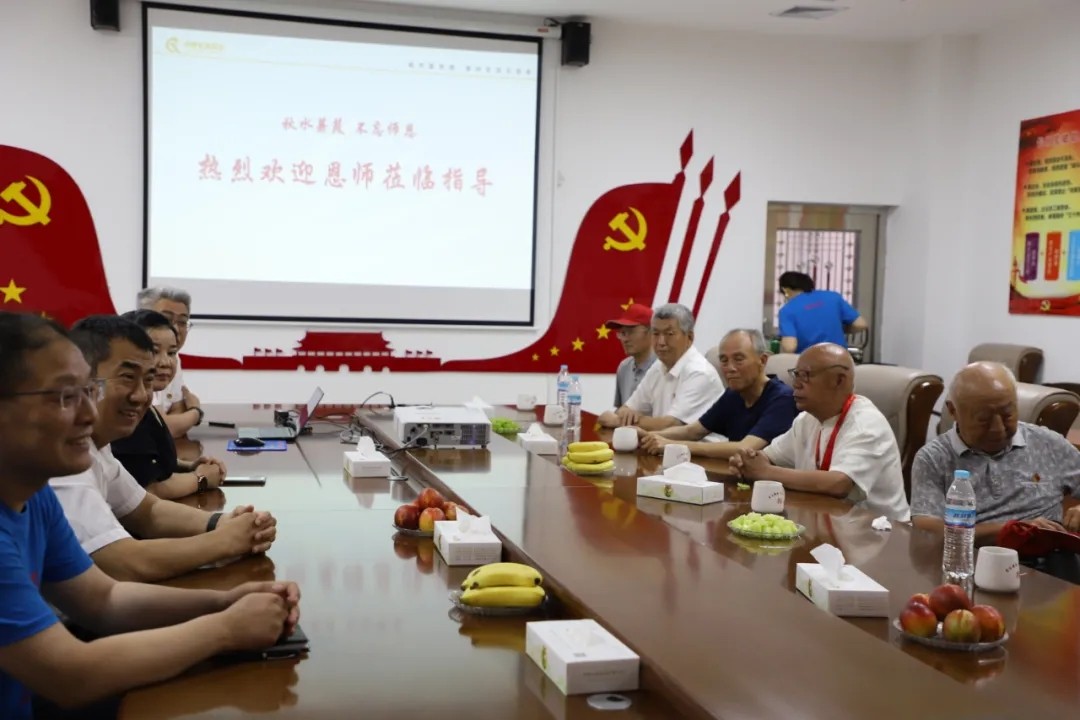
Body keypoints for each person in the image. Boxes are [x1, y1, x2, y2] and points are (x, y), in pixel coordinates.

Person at [0, 312, 299, 718]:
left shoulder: (34, 497)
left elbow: (105, 599)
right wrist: (225, 629)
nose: (89, 414)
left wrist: (223, 601)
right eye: (65, 397)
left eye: (87, 392)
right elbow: (68, 675)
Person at [50, 315, 277, 582]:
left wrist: (222, 523)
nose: (141, 395)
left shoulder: (98, 444)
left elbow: (147, 512)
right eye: (127, 377)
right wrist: (225, 540)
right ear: (82, 381)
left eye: (147, 380)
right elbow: (122, 562)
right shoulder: (61, 460)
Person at [730, 343, 910, 520]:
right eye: (796, 375)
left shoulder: (866, 423)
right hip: (826, 524)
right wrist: (747, 461)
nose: (796, 384)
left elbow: (838, 483)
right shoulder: (806, 420)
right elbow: (769, 457)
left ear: (839, 380)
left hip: (880, 532)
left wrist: (765, 472)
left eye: (806, 376)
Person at [911, 362, 1080, 540]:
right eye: (983, 419)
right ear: (953, 410)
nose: (998, 429)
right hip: (973, 553)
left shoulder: (1047, 443)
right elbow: (928, 529)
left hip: (1049, 552)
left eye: (1007, 415)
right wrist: (1014, 530)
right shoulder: (934, 458)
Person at [111, 310, 226, 498]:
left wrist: (190, 466)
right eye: (154, 351)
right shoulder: (126, 412)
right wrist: (201, 479)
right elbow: (149, 488)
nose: (165, 362)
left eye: (172, 353)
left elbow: (152, 461)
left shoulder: (146, 407)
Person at [639, 329, 797, 459]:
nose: (730, 368)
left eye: (739, 359)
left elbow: (745, 448)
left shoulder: (783, 398)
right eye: (724, 360)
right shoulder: (733, 394)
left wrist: (673, 446)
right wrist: (647, 436)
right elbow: (692, 431)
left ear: (762, 360)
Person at [598, 303, 723, 431]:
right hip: (660, 441)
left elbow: (671, 425)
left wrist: (620, 421)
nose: (661, 342)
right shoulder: (659, 366)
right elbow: (626, 409)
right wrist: (625, 415)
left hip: (696, 444)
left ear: (689, 337)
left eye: (669, 334)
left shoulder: (699, 372)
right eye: (656, 334)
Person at [136, 287, 202, 438]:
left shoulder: (173, 358)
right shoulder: (140, 360)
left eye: (182, 322)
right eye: (165, 319)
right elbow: (161, 429)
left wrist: (178, 419)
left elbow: (178, 408)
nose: (176, 329)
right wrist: (196, 412)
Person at [777, 271, 868, 353]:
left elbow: (790, 347)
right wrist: (840, 329)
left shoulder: (787, 310)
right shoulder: (833, 297)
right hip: (840, 358)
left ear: (785, 289)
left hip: (809, 361)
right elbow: (861, 324)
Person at [605, 303, 657, 408]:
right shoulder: (624, 367)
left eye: (631, 332)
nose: (625, 339)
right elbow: (621, 410)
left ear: (651, 332)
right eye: (622, 333)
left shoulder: (664, 368)